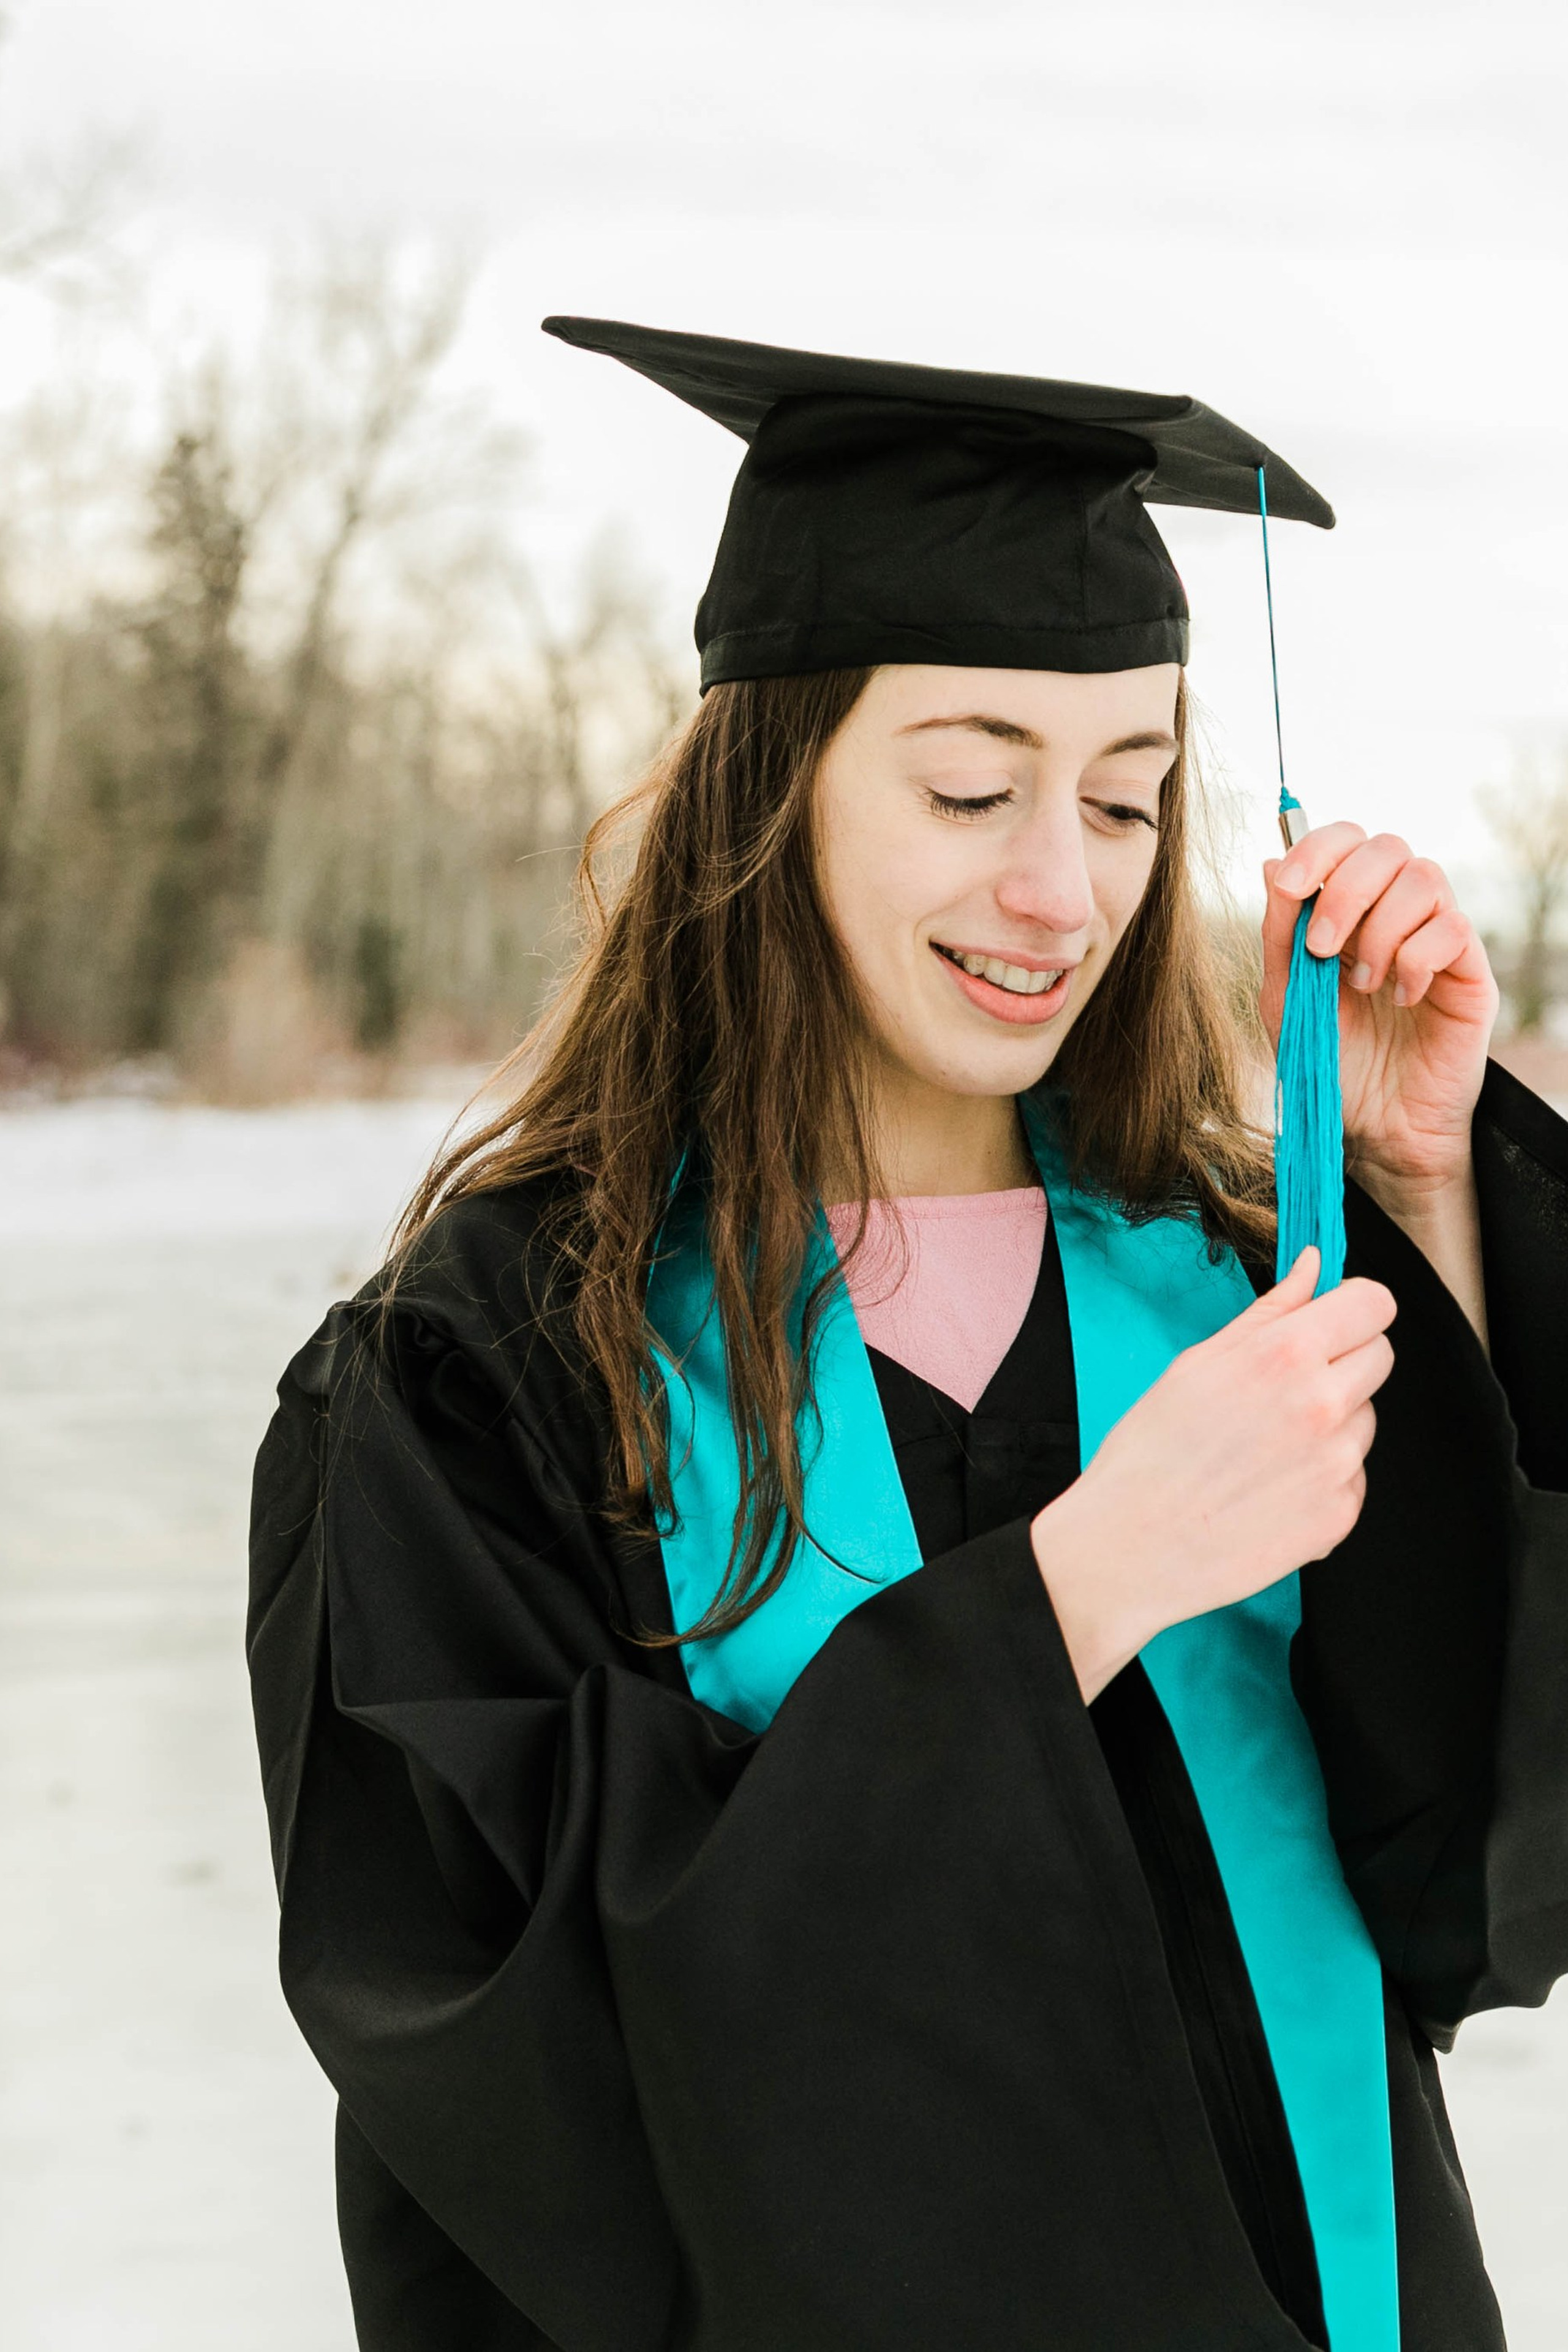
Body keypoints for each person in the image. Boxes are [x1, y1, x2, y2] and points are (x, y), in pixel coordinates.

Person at [247, 320, 1568, 2352]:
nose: (1061, 889)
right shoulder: (494, 1365)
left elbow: (1474, 1884)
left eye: (1130, 804)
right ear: (774, 786)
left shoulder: (1222, 1270)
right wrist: (1074, 1595)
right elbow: (517, 2084)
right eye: (971, 784)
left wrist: (1422, 1201)